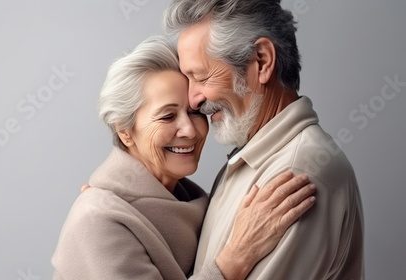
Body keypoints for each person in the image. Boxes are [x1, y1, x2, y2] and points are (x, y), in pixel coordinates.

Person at [51, 35, 316, 280]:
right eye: (167, 116)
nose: (190, 130)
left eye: (195, 112)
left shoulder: (195, 201)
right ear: (125, 131)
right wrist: (236, 257)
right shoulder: (98, 219)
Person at [163, 0, 364, 279]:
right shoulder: (254, 158)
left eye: (201, 77)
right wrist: (116, 194)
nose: (193, 100)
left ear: (262, 61)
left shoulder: (297, 172)